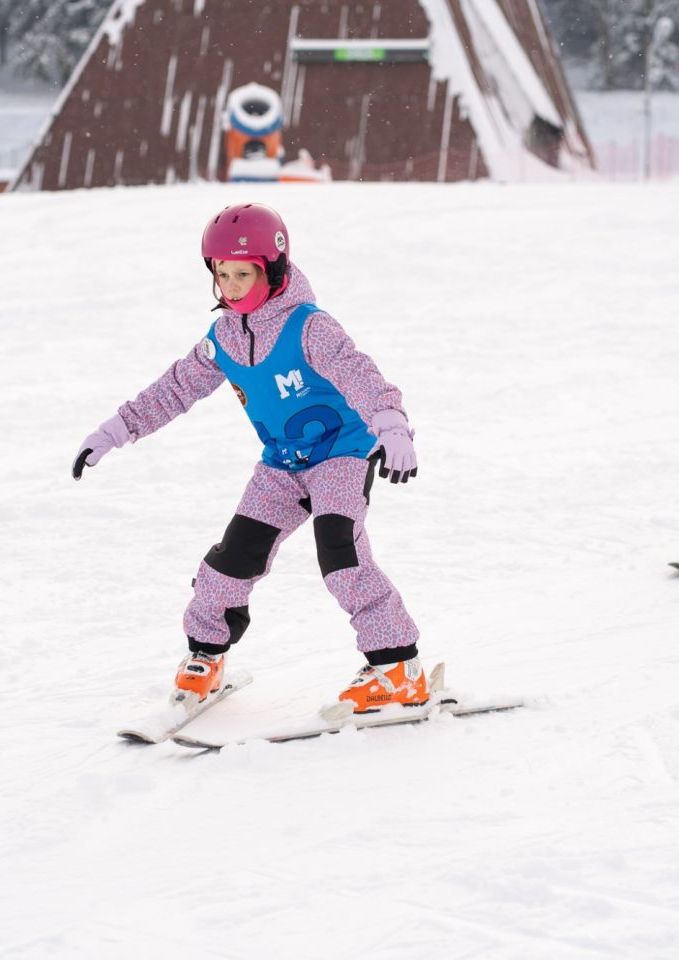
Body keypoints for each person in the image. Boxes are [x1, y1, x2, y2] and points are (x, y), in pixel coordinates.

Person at [73, 203, 425, 713]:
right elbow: (174, 389)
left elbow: (358, 373)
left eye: (244, 274)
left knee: (341, 556)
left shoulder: (310, 327)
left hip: (342, 454)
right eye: (222, 274)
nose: (232, 287)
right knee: (231, 560)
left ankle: (398, 669)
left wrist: (390, 424)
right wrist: (115, 430)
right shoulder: (223, 339)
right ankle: (206, 656)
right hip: (281, 463)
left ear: (274, 270)